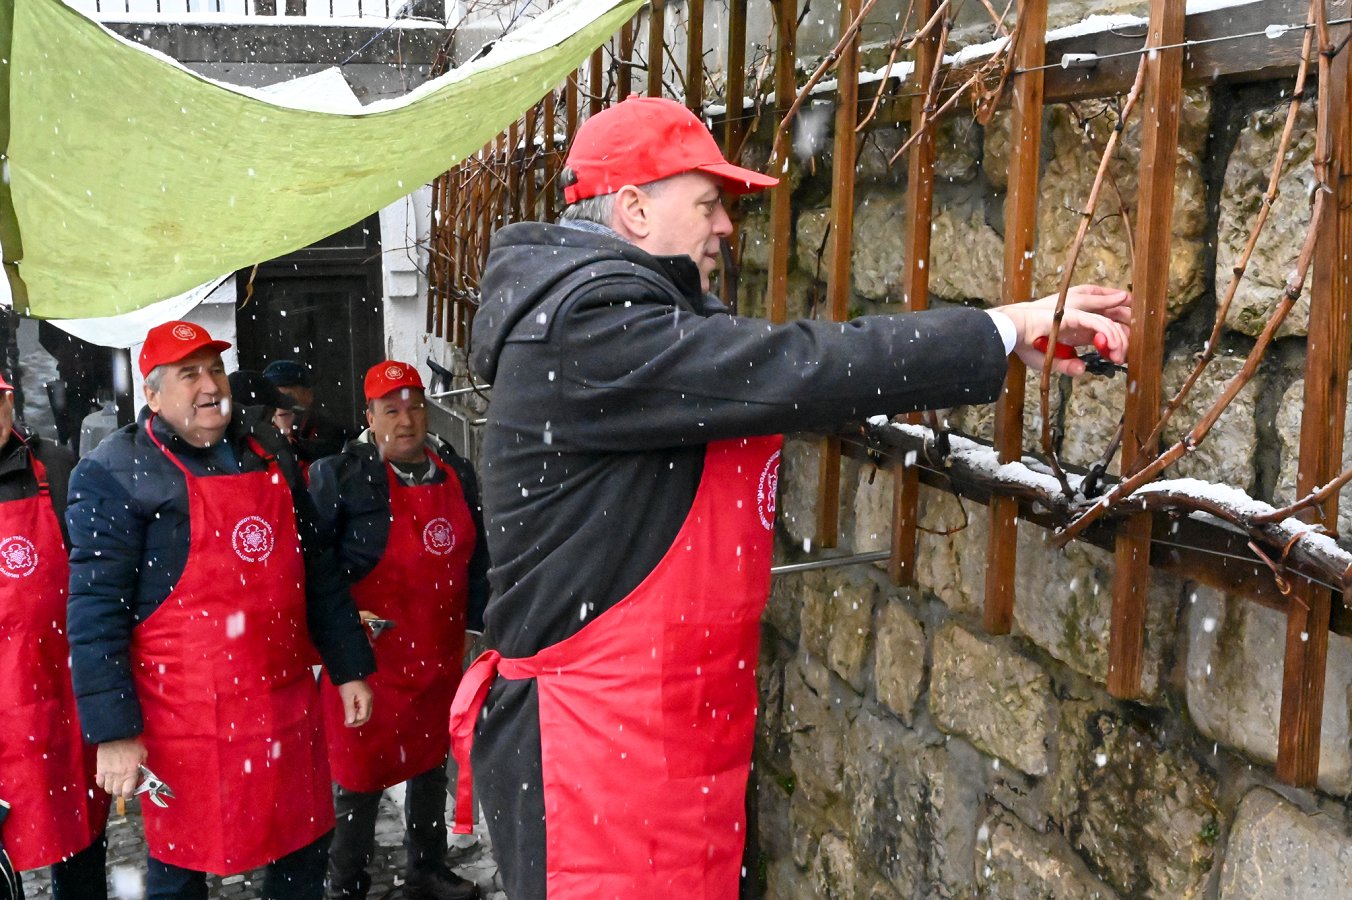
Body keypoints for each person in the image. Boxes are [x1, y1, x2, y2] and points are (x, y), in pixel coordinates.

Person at [448, 95, 1133, 899]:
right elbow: (794, 367)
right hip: (594, 755)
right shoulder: (588, 323)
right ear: (633, 207)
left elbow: (780, 377)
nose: (725, 228)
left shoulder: (635, 318)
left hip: (661, 742)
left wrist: (999, 345)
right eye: (708, 204)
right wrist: (998, 329)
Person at [66, 321, 376, 900]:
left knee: (301, 853)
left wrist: (348, 664)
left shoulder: (268, 452)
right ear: (153, 395)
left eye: (213, 370)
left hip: (282, 705)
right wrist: (114, 734)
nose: (210, 387)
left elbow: (317, 570)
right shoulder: (113, 473)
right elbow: (94, 615)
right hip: (184, 722)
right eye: (189, 375)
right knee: (181, 870)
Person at [309, 361, 489, 900]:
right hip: (370, 660)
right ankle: (346, 885)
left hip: (437, 650)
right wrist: (339, 640)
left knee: (431, 765)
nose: (406, 420)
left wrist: (485, 629)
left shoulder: (455, 469)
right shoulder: (339, 477)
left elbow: (477, 559)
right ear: (370, 415)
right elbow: (316, 571)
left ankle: (426, 871)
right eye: (392, 409)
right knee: (358, 782)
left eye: (415, 406)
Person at [0, 372, 108, 899]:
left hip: (58, 693)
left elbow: (95, 579)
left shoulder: (57, 469)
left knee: (78, 834)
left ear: (10, 402)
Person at [263, 359, 352, 463]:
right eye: (272, 398)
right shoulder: (257, 440)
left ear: (309, 395)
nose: (279, 405)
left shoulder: (335, 437)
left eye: (288, 397)